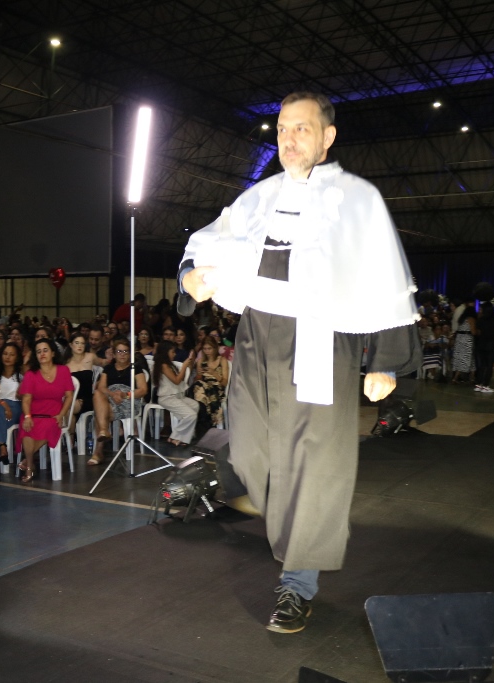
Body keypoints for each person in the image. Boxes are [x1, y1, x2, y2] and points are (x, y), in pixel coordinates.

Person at [178, 92, 419, 633]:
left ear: (327, 137)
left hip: (321, 339)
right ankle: (293, 534)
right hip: (256, 337)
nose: (289, 139)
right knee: (249, 452)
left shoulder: (357, 200)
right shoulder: (258, 198)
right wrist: (190, 276)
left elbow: (385, 273)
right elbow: (205, 244)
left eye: (301, 129)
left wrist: (383, 360)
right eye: (283, 129)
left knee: (313, 465)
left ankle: (297, 584)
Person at [15, 339, 73, 483]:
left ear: (53, 353)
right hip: (34, 412)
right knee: (27, 428)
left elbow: (69, 396)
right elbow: (26, 399)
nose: (42, 354)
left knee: (48, 426)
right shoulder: (31, 374)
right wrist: (27, 416)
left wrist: (62, 414)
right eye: (38, 351)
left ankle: (27, 462)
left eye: (45, 350)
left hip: (54, 413)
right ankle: (30, 465)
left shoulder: (63, 370)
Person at [87, 338, 147, 466]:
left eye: (125, 351)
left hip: (129, 400)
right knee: (97, 393)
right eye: (119, 351)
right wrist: (112, 394)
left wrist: (126, 395)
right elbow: (102, 387)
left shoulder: (135, 368)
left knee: (100, 414)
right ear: (114, 354)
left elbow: (143, 390)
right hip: (110, 398)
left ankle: (99, 450)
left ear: (130, 353)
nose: (122, 354)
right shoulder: (108, 368)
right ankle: (103, 431)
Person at [152, 340, 199, 446]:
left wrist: (186, 366)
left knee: (195, 406)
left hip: (177, 396)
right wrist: (184, 366)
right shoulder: (163, 366)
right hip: (167, 398)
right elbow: (176, 381)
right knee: (191, 415)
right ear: (165, 352)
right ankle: (175, 437)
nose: (175, 354)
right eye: (172, 352)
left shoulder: (170, 365)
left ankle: (183, 436)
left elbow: (180, 380)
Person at [0, 343, 23, 464]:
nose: (7, 357)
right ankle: (2, 446)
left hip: (15, 406)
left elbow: (24, 396)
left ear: (17, 357)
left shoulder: (21, 374)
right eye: (5, 354)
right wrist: (3, 404)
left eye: (11, 354)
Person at [191, 336, 229, 430]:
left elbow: (224, 383)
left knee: (199, 389)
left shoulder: (222, 360)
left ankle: (203, 424)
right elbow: (197, 380)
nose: (207, 351)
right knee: (198, 386)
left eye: (209, 348)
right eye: (204, 349)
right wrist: (199, 374)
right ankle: (206, 423)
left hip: (216, 388)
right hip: (202, 388)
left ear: (215, 348)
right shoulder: (201, 361)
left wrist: (214, 373)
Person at [64, 333, 96, 420]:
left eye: (82, 343)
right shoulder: (65, 364)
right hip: (71, 398)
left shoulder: (90, 357)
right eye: (77, 343)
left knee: (67, 409)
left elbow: (103, 363)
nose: (80, 346)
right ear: (71, 345)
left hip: (87, 398)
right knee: (65, 408)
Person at [473, 304, 494, 393]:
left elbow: (478, 332)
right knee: (489, 365)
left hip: (481, 344)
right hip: (491, 344)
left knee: (481, 365)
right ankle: (486, 385)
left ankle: (479, 384)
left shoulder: (480, 320)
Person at [451, 302, 477, 384]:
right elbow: (473, 331)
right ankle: (467, 378)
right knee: (466, 358)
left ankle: (458, 377)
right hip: (467, 339)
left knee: (460, 358)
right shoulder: (471, 319)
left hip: (459, 338)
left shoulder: (461, 319)